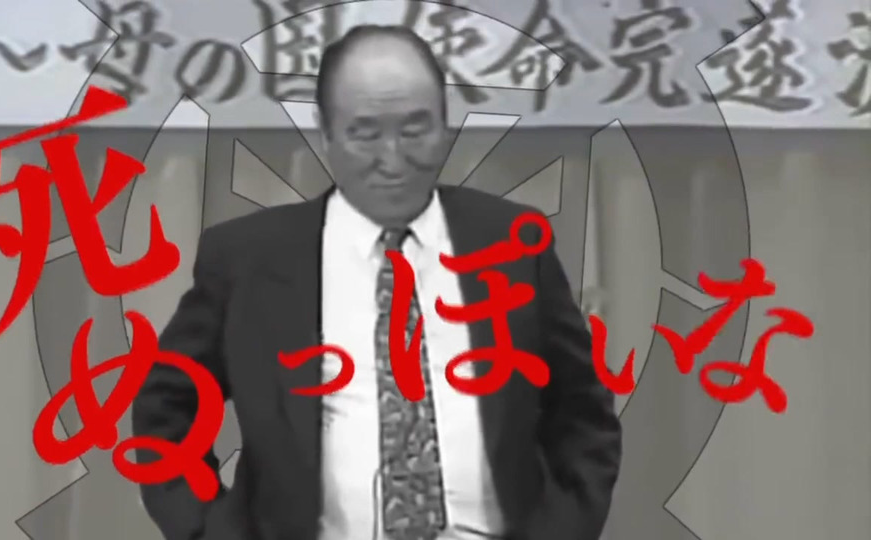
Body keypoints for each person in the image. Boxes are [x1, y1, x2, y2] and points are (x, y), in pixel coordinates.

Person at [132, 24, 621, 540]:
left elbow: (583, 413)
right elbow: (166, 409)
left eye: (415, 130)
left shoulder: (513, 245)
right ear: (325, 134)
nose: (392, 159)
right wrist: (209, 530)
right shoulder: (248, 260)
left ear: (446, 126)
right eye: (365, 133)